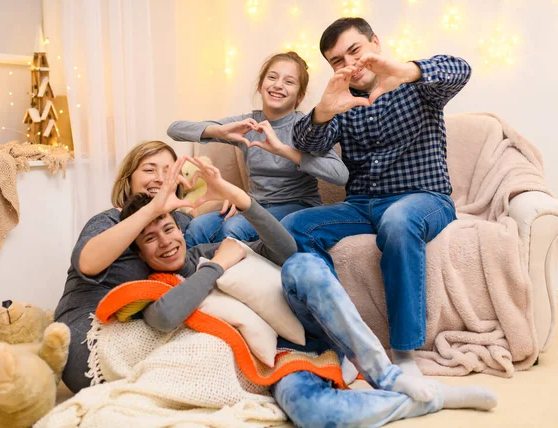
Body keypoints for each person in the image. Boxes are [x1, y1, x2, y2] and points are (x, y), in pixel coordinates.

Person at [120, 157, 497, 427]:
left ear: (178, 228)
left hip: (309, 319)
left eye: (168, 229)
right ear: (139, 252)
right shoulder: (152, 284)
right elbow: (165, 317)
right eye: (150, 239)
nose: (165, 243)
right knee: (312, 414)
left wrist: (240, 198)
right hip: (281, 357)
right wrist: (217, 266)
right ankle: (428, 401)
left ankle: (387, 374)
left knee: (302, 264)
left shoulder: (206, 246)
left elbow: (285, 248)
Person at [282, 17, 472, 377]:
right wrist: (323, 111)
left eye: (354, 50)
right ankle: (338, 341)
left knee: (398, 221)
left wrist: (406, 71)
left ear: (375, 43)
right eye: (338, 61)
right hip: (362, 205)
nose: (349, 64)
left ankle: (403, 356)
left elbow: (461, 69)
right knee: (294, 226)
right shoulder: (344, 102)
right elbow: (306, 145)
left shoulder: (416, 83)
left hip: (424, 198)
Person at [167, 51, 349, 247]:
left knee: (233, 228)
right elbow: (175, 130)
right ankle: (183, 277)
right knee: (197, 227)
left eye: (289, 82)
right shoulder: (248, 124)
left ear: (300, 94)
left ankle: (219, 272)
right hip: (254, 205)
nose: (278, 85)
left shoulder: (306, 127)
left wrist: (284, 150)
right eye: (272, 77)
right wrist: (220, 131)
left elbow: (340, 175)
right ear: (261, 85)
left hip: (296, 207)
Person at [55, 141, 195, 393]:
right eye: (149, 170)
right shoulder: (108, 219)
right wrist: (152, 208)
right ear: (128, 179)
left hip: (146, 324)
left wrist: (224, 201)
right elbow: (87, 263)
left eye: (168, 170)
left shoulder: (182, 221)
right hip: (90, 335)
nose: (159, 178)